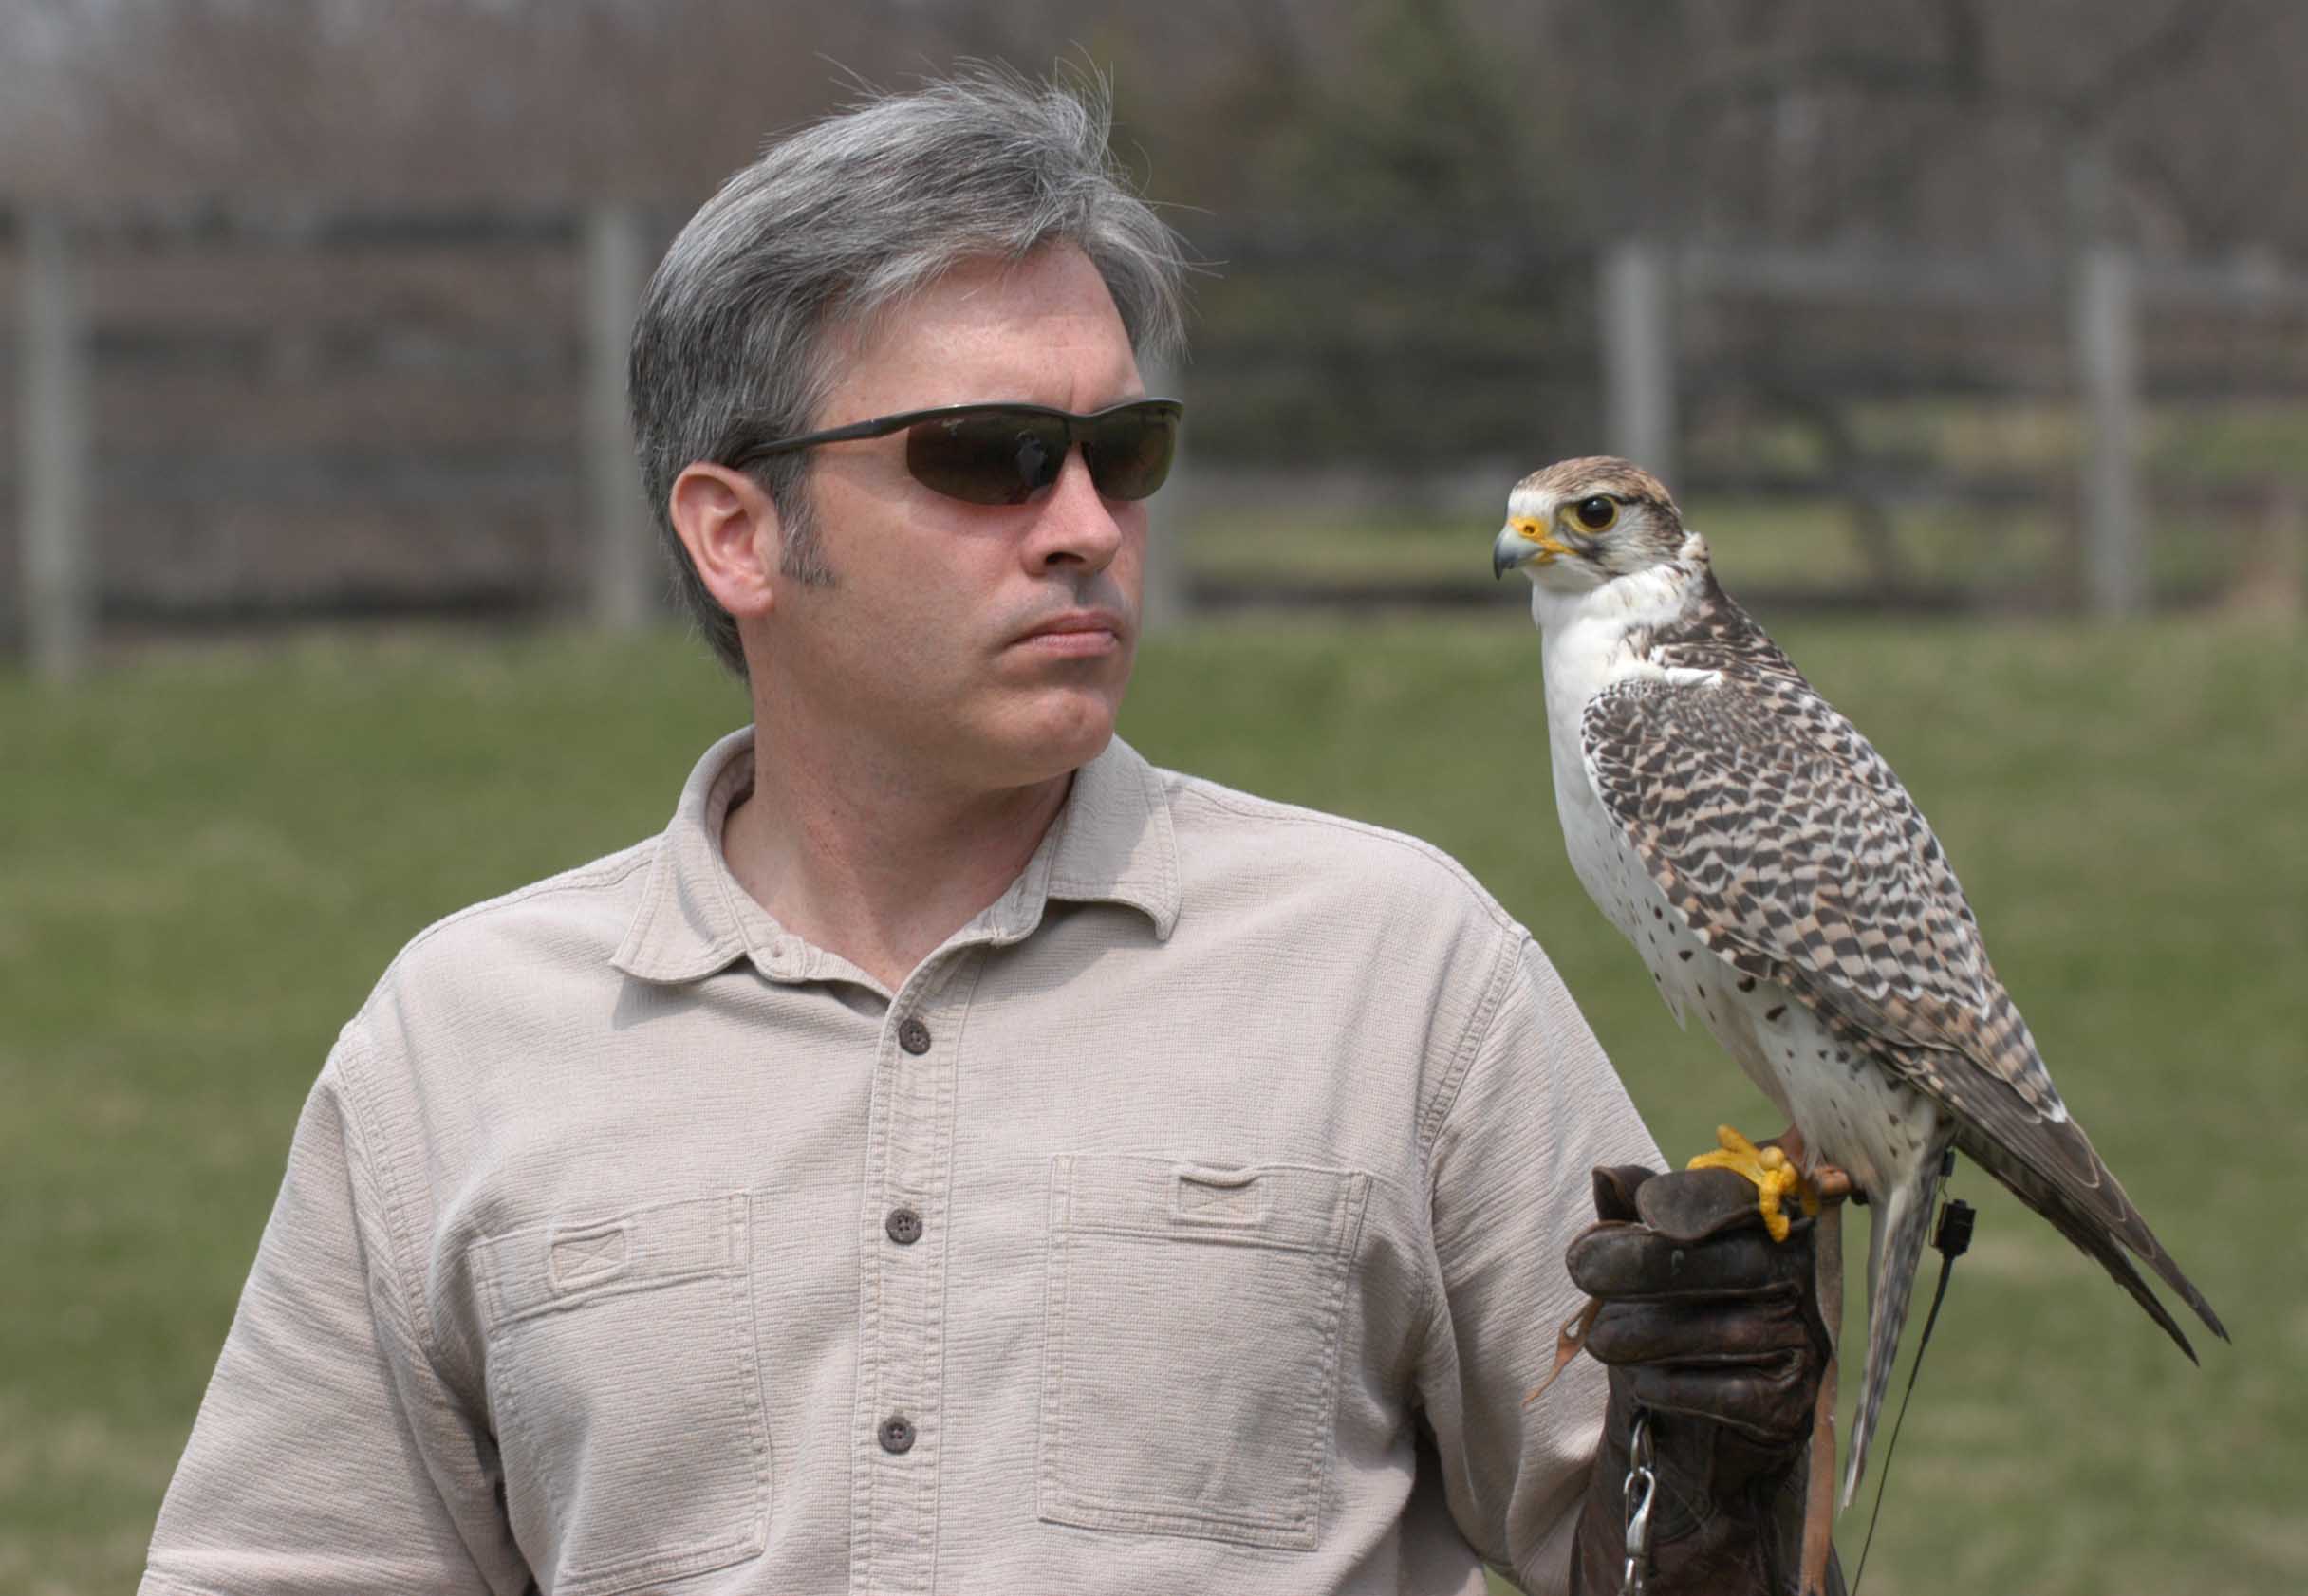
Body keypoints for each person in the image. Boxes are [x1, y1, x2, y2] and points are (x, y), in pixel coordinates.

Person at [140, 67, 1836, 1596]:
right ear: (738, 533)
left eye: (1122, 450)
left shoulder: (1398, 971)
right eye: (991, 458)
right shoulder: (459, 1043)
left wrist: (1730, 1512)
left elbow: (1674, 1550)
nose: (1086, 525)